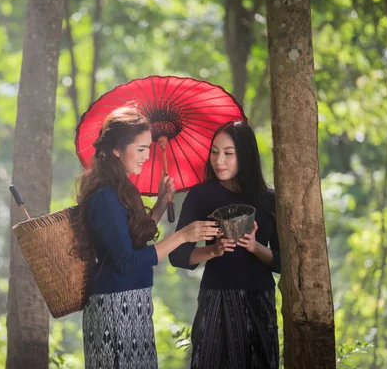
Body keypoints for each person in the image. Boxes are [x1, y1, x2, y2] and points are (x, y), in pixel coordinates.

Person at [77, 105, 222, 369]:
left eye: (149, 148)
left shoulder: (121, 189)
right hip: (114, 308)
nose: (146, 156)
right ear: (116, 149)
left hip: (133, 302)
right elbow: (127, 261)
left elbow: (133, 237)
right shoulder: (105, 196)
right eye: (141, 149)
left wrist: (159, 205)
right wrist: (181, 236)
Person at [169, 120, 281, 369]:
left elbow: (283, 262)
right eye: (215, 152)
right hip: (215, 297)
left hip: (258, 300)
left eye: (229, 154)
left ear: (246, 156)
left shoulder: (269, 199)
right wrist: (213, 250)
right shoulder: (201, 195)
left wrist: (255, 247)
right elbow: (177, 256)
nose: (219, 160)